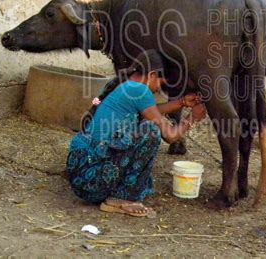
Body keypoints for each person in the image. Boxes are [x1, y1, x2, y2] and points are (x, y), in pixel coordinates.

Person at [66, 50, 206, 217]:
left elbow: (149, 111)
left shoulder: (126, 86)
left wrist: (181, 103)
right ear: (152, 75)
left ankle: (118, 194)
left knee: (146, 125)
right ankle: (120, 198)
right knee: (151, 131)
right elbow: (170, 135)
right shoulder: (139, 90)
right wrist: (192, 118)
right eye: (160, 84)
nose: (158, 90)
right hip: (92, 179)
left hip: (82, 174)